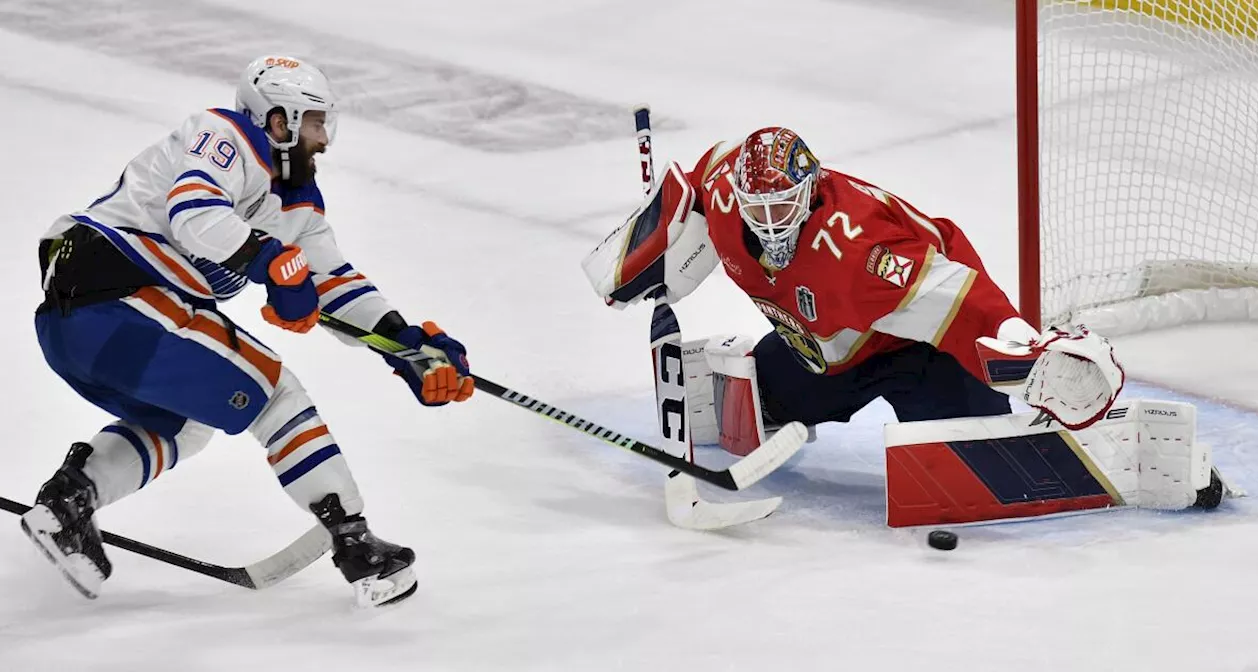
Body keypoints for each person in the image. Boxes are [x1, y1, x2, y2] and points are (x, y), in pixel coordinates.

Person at [23, 55, 473, 608]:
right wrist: (269, 263)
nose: (324, 139)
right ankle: (353, 541)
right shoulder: (225, 137)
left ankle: (68, 503)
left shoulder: (298, 203)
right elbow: (194, 210)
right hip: (115, 295)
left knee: (186, 425)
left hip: (88, 330)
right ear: (277, 122)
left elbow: (331, 281)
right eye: (313, 123)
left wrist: (404, 343)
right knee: (275, 393)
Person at [583, 126, 1124, 454]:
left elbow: (963, 301)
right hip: (825, 350)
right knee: (755, 400)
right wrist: (644, 258)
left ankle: (1043, 414)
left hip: (920, 345)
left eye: (783, 206)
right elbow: (689, 197)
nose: (770, 222)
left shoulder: (860, 252)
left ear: (812, 187)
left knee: (969, 453)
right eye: (758, 207)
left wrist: (1024, 348)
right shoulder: (725, 193)